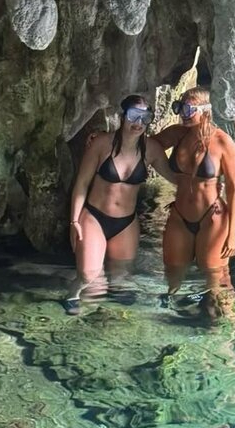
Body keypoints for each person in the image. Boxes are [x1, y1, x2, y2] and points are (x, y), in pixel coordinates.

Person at [67, 94, 175, 313]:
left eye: (145, 118)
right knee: (88, 275)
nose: (138, 123)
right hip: (95, 217)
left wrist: (208, 182)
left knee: (121, 278)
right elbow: (82, 183)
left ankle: (109, 316)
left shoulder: (152, 149)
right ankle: (72, 294)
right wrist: (74, 221)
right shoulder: (101, 144)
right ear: (122, 116)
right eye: (134, 116)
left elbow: (174, 178)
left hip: (126, 223)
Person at [155, 86, 235, 299]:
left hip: (212, 218)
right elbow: (143, 145)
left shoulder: (223, 142)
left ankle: (228, 318)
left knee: (216, 279)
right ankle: (170, 312)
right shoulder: (176, 134)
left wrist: (232, 235)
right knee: (172, 275)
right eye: (180, 108)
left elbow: (234, 190)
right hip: (179, 216)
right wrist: (105, 137)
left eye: (188, 110)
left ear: (205, 111)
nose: (182, 115)